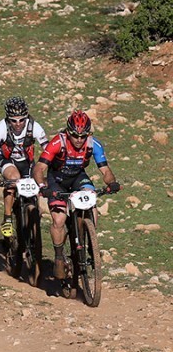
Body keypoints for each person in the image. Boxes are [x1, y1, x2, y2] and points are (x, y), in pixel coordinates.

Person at [34, 110, 121, 279]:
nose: (79, 140)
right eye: (75, 136)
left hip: (77, 177)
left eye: (83, 136)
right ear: (68, 133)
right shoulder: (57, 143)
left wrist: (111, 183)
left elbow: (105, 170)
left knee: (91, 201)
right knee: (58, 220)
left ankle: (88, 240)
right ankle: (59, 255)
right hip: (56, 179)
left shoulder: (93, 144)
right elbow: (39, 168)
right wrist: (42, 186)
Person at [0, 96, 49, 238]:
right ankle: (7, 217)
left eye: (21, 120)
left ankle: (32, 217)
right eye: (13, 120)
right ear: (8, 119)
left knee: (36, 187)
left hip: (27, 162)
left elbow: (49, 151)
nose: (18, 124)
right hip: (6, 160)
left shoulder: (34, 126)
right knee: (13, 180)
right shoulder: (1, 127)